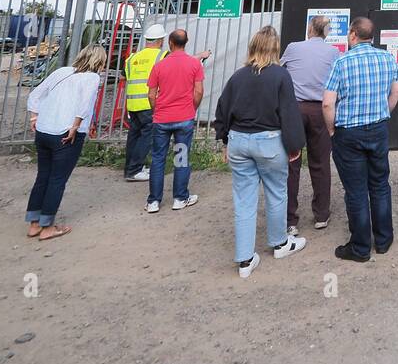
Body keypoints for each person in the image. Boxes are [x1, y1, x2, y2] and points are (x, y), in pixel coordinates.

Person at [215, 27, 307, 278]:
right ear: (275, 47)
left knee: (243, 200)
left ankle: (245, 260)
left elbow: (222, 111)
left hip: (238, 140)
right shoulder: (280, 75)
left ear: (253, 46)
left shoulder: (237, 76)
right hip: (269, 141)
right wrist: (294, 145)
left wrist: (225, 141)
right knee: (277, 192)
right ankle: (279, 243)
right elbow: (288, 112)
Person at [322, 17, 398, 262]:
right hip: (378, 129)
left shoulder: (341, 62)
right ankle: (384, 240)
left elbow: (327, 102)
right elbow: (397, 90)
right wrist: (383, 113)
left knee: (355, 190)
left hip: (349, 133)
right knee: (379, 185)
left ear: (354, 34)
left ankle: (360, 248)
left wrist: (332, 129)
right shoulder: (387, 58)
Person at [24, 44, 107, 241]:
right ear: (100, 61)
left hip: (44, 130)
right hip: (65, 133)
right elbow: (85, 104)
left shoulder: (61, 72)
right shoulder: (92, 77)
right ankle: (48, 227)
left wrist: (34, 118)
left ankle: (34, 224)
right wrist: (75, 126)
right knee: (57, 179)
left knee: (43, 176)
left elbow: (36, 94)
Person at [281, 14, 339, 233]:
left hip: (294, 109)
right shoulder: (333, 52)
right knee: (321, 162)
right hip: (320, 109)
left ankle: (289, 219)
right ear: (326, 32)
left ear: (309, 29)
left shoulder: (293, 48)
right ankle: (321, 215)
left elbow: (281, 70)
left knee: (291, 163)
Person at [145, 28, 205, 213]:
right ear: (185, 42)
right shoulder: (194, 64)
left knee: (158, 159)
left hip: (162, 119)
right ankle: (180, 197)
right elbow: (199, 91)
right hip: (184, 118)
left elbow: (151, 94)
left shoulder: (159, 66)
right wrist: (192, 108)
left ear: (170, 42)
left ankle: (154, 201)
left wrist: (157, 110)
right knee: (181, 157)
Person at [122, 24, 167, 183]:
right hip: (150, 103)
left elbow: (126, 77)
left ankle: (129, 168)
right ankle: (135, 170)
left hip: (132, 104)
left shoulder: (132, 58)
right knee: (146, 137)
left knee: (134, 136)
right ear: (161, 41)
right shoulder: (162, 56)